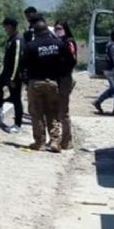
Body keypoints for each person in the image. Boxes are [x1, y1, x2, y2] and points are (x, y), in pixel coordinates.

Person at [22, 19, 75, 152]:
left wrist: (25, 80)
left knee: (36, 113)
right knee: (52, 112)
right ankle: (55, 141)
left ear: (36, 32)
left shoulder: (31, 46)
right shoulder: (59, 44)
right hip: (53, 82)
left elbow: (23, 66)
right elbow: (70, 62)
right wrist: (60, 74)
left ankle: (39, 142)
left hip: (35, 83)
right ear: (47, 30)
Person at [0, 17, 24, 133]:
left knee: (16, 99)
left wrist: (13, 78)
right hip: (6, 73)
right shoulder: (11, 39)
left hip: (14, 76)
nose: (4, 29)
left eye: (6, 26)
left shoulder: (18, 40)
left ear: (11, 26)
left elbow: (17, 60)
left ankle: (17, 125)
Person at [54, 21, 77, 149]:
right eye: (56, 29)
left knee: (63, 111)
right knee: (55, 110)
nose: (58, 31)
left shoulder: (68, 42)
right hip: (57, 79)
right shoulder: (57, 42)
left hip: (64, 79)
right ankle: (56, 139)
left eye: (60, 28)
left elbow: (72, 60)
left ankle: (67, 140)